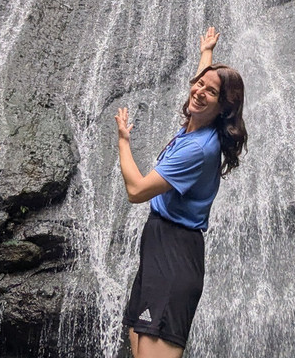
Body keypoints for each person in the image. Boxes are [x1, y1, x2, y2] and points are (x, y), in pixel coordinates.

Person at [114, 26, 248, 358]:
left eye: (210, 92)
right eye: (198, 84)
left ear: (223, 108)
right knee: (137, 339)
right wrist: (207, 52)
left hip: (175, 252)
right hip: (159, 246)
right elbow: (204, 86)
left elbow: (136, 190)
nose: (199, 91)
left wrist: (123, 142)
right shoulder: (198, 122)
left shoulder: (198, 149)